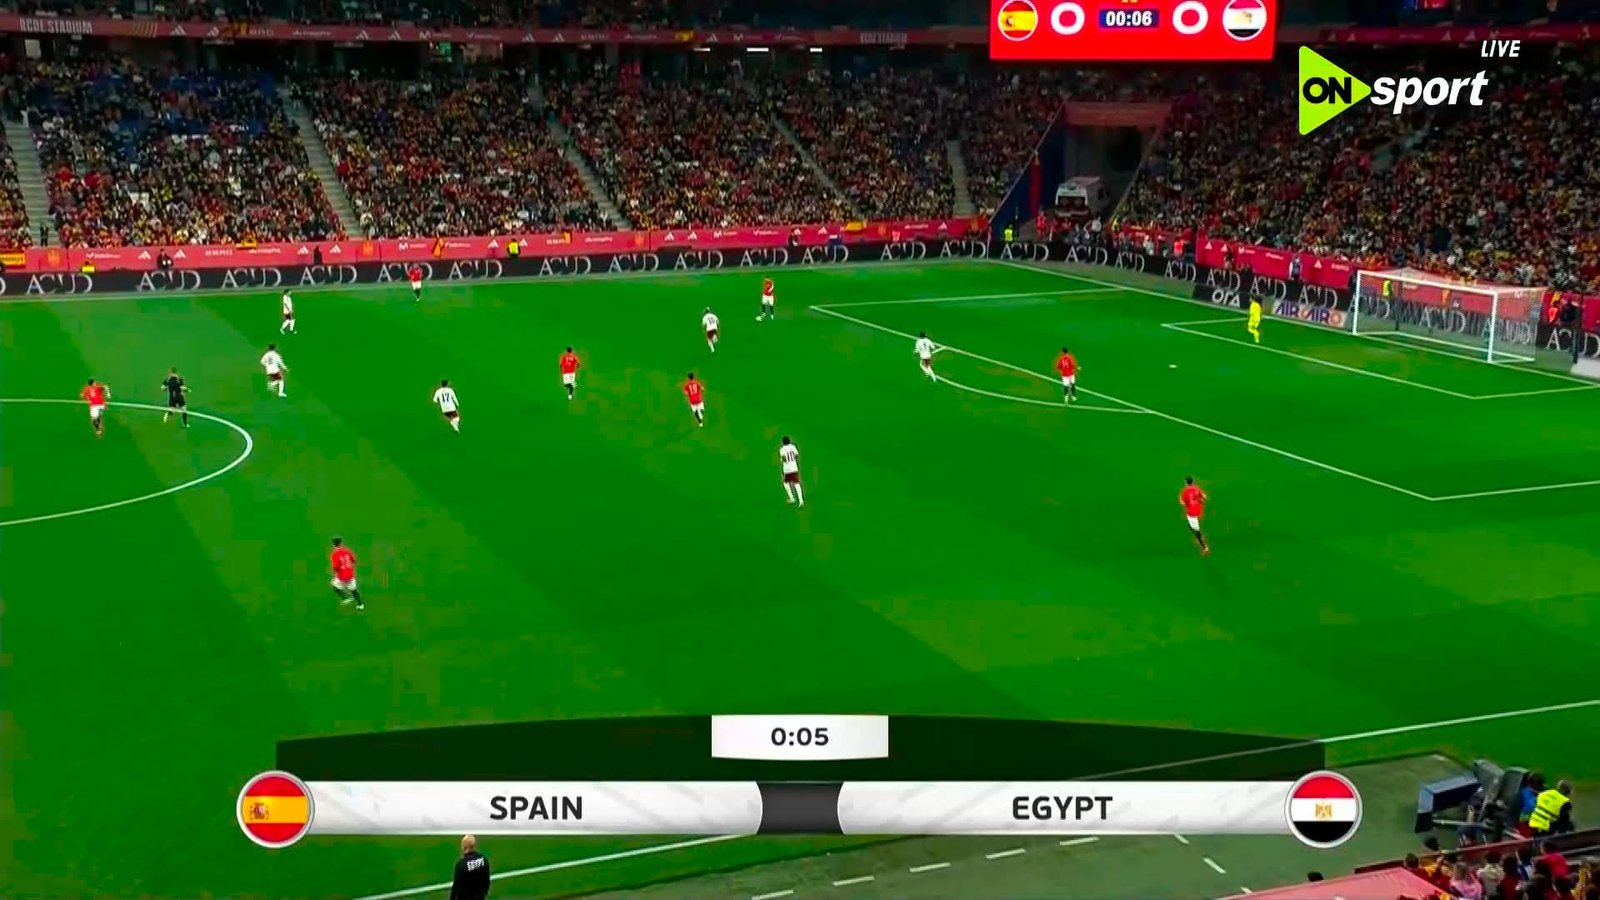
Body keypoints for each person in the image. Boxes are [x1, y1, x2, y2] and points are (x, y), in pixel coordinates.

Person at [450, 834, 490, 900]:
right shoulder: (483, 859)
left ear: (464, 847)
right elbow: (487, 880)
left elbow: (456, 887)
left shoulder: (461, 864)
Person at [329, 537, 363, 611]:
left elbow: (336, 567)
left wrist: (335, 576)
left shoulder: (334, 554)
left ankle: (345, 598)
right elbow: (353, 560)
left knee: (334, 585)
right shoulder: (347, 551)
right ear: (341, 543)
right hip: (350, 575)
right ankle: (360, 605)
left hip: (342, 576)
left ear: (333, 544)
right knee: (354, 590)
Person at [1180, 476, 1210, 556]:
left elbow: (1183, 504)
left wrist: (1183, 501)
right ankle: (1198, 536)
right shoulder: (1196, 488)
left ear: (1186, 482)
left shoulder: (1184, 492)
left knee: (1196, 530)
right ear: (1192, 482)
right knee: (1190, 525)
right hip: (1198, 511)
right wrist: (1200, 500)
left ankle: (1205, 547)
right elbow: (1205, 497)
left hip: (1191, 513)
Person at [779, 435, 804, 507]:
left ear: (783, 442)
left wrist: (783, 460)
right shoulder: (793, 447)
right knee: (797, 483)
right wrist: (792, 460)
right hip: (794, 467)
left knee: (786, 483)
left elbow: (784, 458)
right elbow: (796, 456)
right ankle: (801, 500)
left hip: (787, 469)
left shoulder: (782, 449)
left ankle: (792, 498)